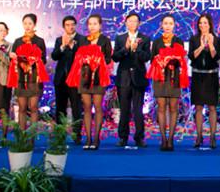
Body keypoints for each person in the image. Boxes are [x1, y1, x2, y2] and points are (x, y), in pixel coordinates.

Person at [67, 14, 113, 150]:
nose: (92, 26)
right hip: (85, 77)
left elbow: (108, 59)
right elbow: (77, 58)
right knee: (86, 107)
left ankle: (96, 138)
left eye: (95, 24)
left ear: (100, 25)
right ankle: (88, 138)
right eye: (90, 24)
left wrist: (98, 59)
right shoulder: (83, 40)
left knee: (97, 107)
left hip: (98, 77)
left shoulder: (105, 40)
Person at [147, 14, 188, 151]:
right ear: (161, 25)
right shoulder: (157, 42)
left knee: (173, 107)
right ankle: (163, 138)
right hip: (160, 78)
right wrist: (160, 59)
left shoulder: (178, 41)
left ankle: (171, 139)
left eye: (170, 23)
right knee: (161, 107)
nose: (168, 26)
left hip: (174, 78)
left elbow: (182, 60)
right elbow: (152, 60)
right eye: (165, 23)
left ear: (174, 25)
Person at [112, 12, 151, 147]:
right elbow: (115, 57)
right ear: (126, 23)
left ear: (139, 24)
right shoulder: (120, 38)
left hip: (138, 78)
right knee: (124, 109)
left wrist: (137, 50)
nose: (132, 23)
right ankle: (123, 137)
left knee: (138, 109)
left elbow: (147, 57)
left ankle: (139, 137)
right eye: (130, 21)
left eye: (135, 21)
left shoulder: (145, 39)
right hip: (123, 78)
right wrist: (126, 48)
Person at [188, 13, 220, 149]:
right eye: (200, 23)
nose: (202, 25)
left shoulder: (217, 39)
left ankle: (212, 136)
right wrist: (202, 46)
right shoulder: (194, 39)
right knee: (198, 107)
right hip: (198, 76)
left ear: (210, 25)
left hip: (211, 76)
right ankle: (199, 136)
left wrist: (211, 45)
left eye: (205, 23)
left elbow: (216, 57)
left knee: (212, 107)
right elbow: (191, 56)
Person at [9, 13, 48, 131]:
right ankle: (22, 135)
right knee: (22, 108)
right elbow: (13, 60)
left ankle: (32, 135)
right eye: (25, 23)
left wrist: (33, 60)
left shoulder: (39, 41)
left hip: (35, 78)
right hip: (21, 79)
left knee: (34, 107)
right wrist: (14, 58)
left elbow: (44, 60)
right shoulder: (18, 41)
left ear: (34, 25)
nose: (27, 26)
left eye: (30, 23)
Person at [51, 16, 85, 143]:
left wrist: (71, 47)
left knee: (76, 107)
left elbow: (82, 56)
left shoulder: (81, 39)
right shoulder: (59, 40)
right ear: (63, 27)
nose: (70, 27)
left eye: (72, 24)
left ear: (75, 25)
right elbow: (54, 56)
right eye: (67, 25)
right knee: (60, 107)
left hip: (75, 79)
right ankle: (60, 134)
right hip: (61, 79)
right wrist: (63, 46)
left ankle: (77, 135)